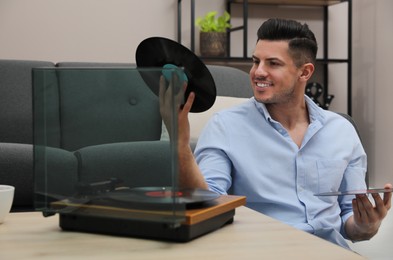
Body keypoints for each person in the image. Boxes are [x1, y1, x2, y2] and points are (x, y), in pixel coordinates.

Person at [162, 18, 392, 249]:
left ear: (305, 72)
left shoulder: (341, 131)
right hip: (261, 250)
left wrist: (367, 225)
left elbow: (350, 225)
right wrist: (180, 144)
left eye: (273, 63)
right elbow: (208, 204)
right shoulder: (225, 125)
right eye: (255, 61)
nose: (257, 72)